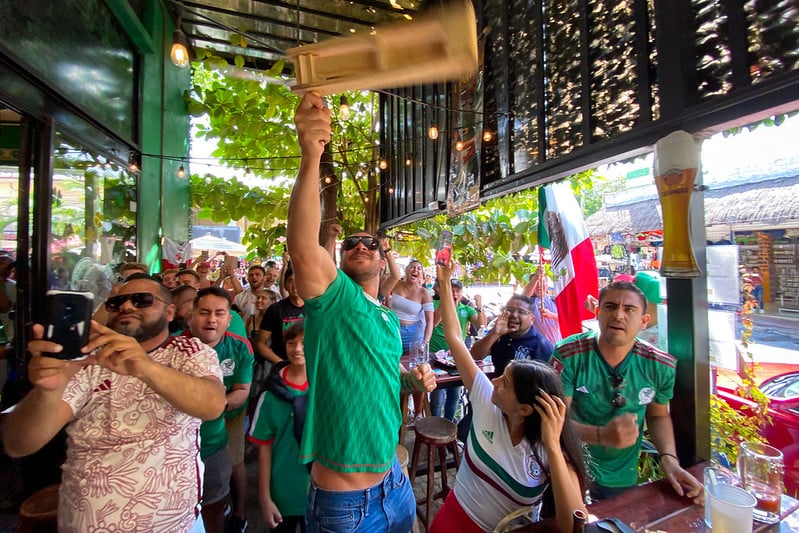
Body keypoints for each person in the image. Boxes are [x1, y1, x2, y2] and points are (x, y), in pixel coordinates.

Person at [287, 92, 436, 532]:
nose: (359, 246)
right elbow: (302, 248)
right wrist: (311, 156)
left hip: (395, 482)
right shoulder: (334, 300)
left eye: (369, 242)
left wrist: (412, 379)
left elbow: (383, 375)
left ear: (381, 254)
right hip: (345, 503)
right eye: (349, 242)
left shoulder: (388, 315)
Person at [2, 273, 226, 532]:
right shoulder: (86, 362)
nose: (127, 307)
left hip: (174, 524)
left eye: (142, 300)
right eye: (116, 303)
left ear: (169, 312)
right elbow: (18, 444)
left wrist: (144, 367)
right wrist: (47, 391)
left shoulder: (189, 351)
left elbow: (212, 404)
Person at [430, 261, 588, 533]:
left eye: (505, 382)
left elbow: (571, 525)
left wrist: (552, 446)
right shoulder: (485, 399)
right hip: (451, 519)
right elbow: (455, 338)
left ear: (525, 409)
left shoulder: (548, 447)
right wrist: (445, 281)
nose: (495, 380)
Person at [551, 281, 704, 502]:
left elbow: (658, 414)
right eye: (610, 307)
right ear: (597, 312)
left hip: (621, 477)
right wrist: (601, 435)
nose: (618, 315)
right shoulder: (569, 353)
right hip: (568, 467)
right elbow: (554, 421)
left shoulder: (659, 365)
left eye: (629, 309)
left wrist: (669, 459)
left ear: (644, 322)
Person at [249, 320, 309, 533]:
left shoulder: (326, 388)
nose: (298, 349)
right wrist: (264, 498)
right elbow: (264, 448)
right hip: (284, 489)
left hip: (321, 489)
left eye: (304, 342)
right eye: (291, 343)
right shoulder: (272, 394)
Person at [428, 278, 485, 420]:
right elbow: (433, 323)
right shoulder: (434, 304)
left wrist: (479, 305)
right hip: (435, 358)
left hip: (456, 360)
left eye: (457, 291)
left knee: (454, 394)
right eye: (451, 290)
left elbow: (482, 324)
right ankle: (434, 422)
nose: (454, 293)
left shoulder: (466, 309)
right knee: (436, 395)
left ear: (462, 293)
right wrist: (446, 303)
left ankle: (449, 423)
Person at [388, 259, 434, 422]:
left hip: (414, 335)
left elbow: (430, 321)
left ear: (422, 274)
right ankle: (400, 409)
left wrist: (425, 342)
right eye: (412, 267)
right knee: (394, 370)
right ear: (406, 271)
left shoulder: (424, 293)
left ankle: (418, 413)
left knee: (417, 371)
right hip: (393, 331)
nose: (415, 270)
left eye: (419, 268)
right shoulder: (395, 284)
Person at [470, 294, 554, 377]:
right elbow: (475, 355)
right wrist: (495, 334)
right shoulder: (498, 335)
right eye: (509, 310)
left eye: (521, 312)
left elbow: (548, 381)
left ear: (532, 318)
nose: (513, 315)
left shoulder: (541, 344)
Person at [254, 265, 305, 365]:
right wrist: (279, 363)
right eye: (290, 281)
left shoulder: (315, 308)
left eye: (299, 280)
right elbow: (260, 343)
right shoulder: (275, 309)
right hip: (283, 368)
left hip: (311, 367)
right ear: (285, 285)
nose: (294, 285)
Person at [521, 266, 561, 346]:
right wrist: (536, 277)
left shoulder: (555, 300)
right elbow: (522, 298)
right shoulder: (530, 302)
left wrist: (551, 315)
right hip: (541, 348)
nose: (539, 285)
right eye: (536, 283)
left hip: (559, 346)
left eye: (542, 282)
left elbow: (567, 319)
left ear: (547, 284)